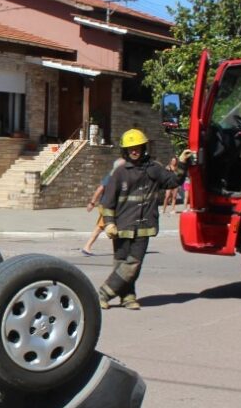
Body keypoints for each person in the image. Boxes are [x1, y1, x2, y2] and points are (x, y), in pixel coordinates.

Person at [97, 129, 191, 310]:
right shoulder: (120, 172)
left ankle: (104, 293)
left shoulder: (153, 168)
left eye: (137, 147)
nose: (134, 151)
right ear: (125, 150)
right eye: (131, 148)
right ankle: (128, 296)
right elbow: (107, 201)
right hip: (122, 225)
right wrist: (109, 223)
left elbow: (173, 181)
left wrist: (182, 163)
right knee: (121, 262)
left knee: (133, 264)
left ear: (143, 148)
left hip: (144, 226)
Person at [81, 158, 124, 255]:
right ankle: (87, 247)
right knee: (101, 227)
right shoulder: (111, 176)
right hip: (107, 206)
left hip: (113, 206)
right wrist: (92, 203)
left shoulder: (118, 176)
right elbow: (100, 189)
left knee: (111, 226)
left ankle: (119, 249)